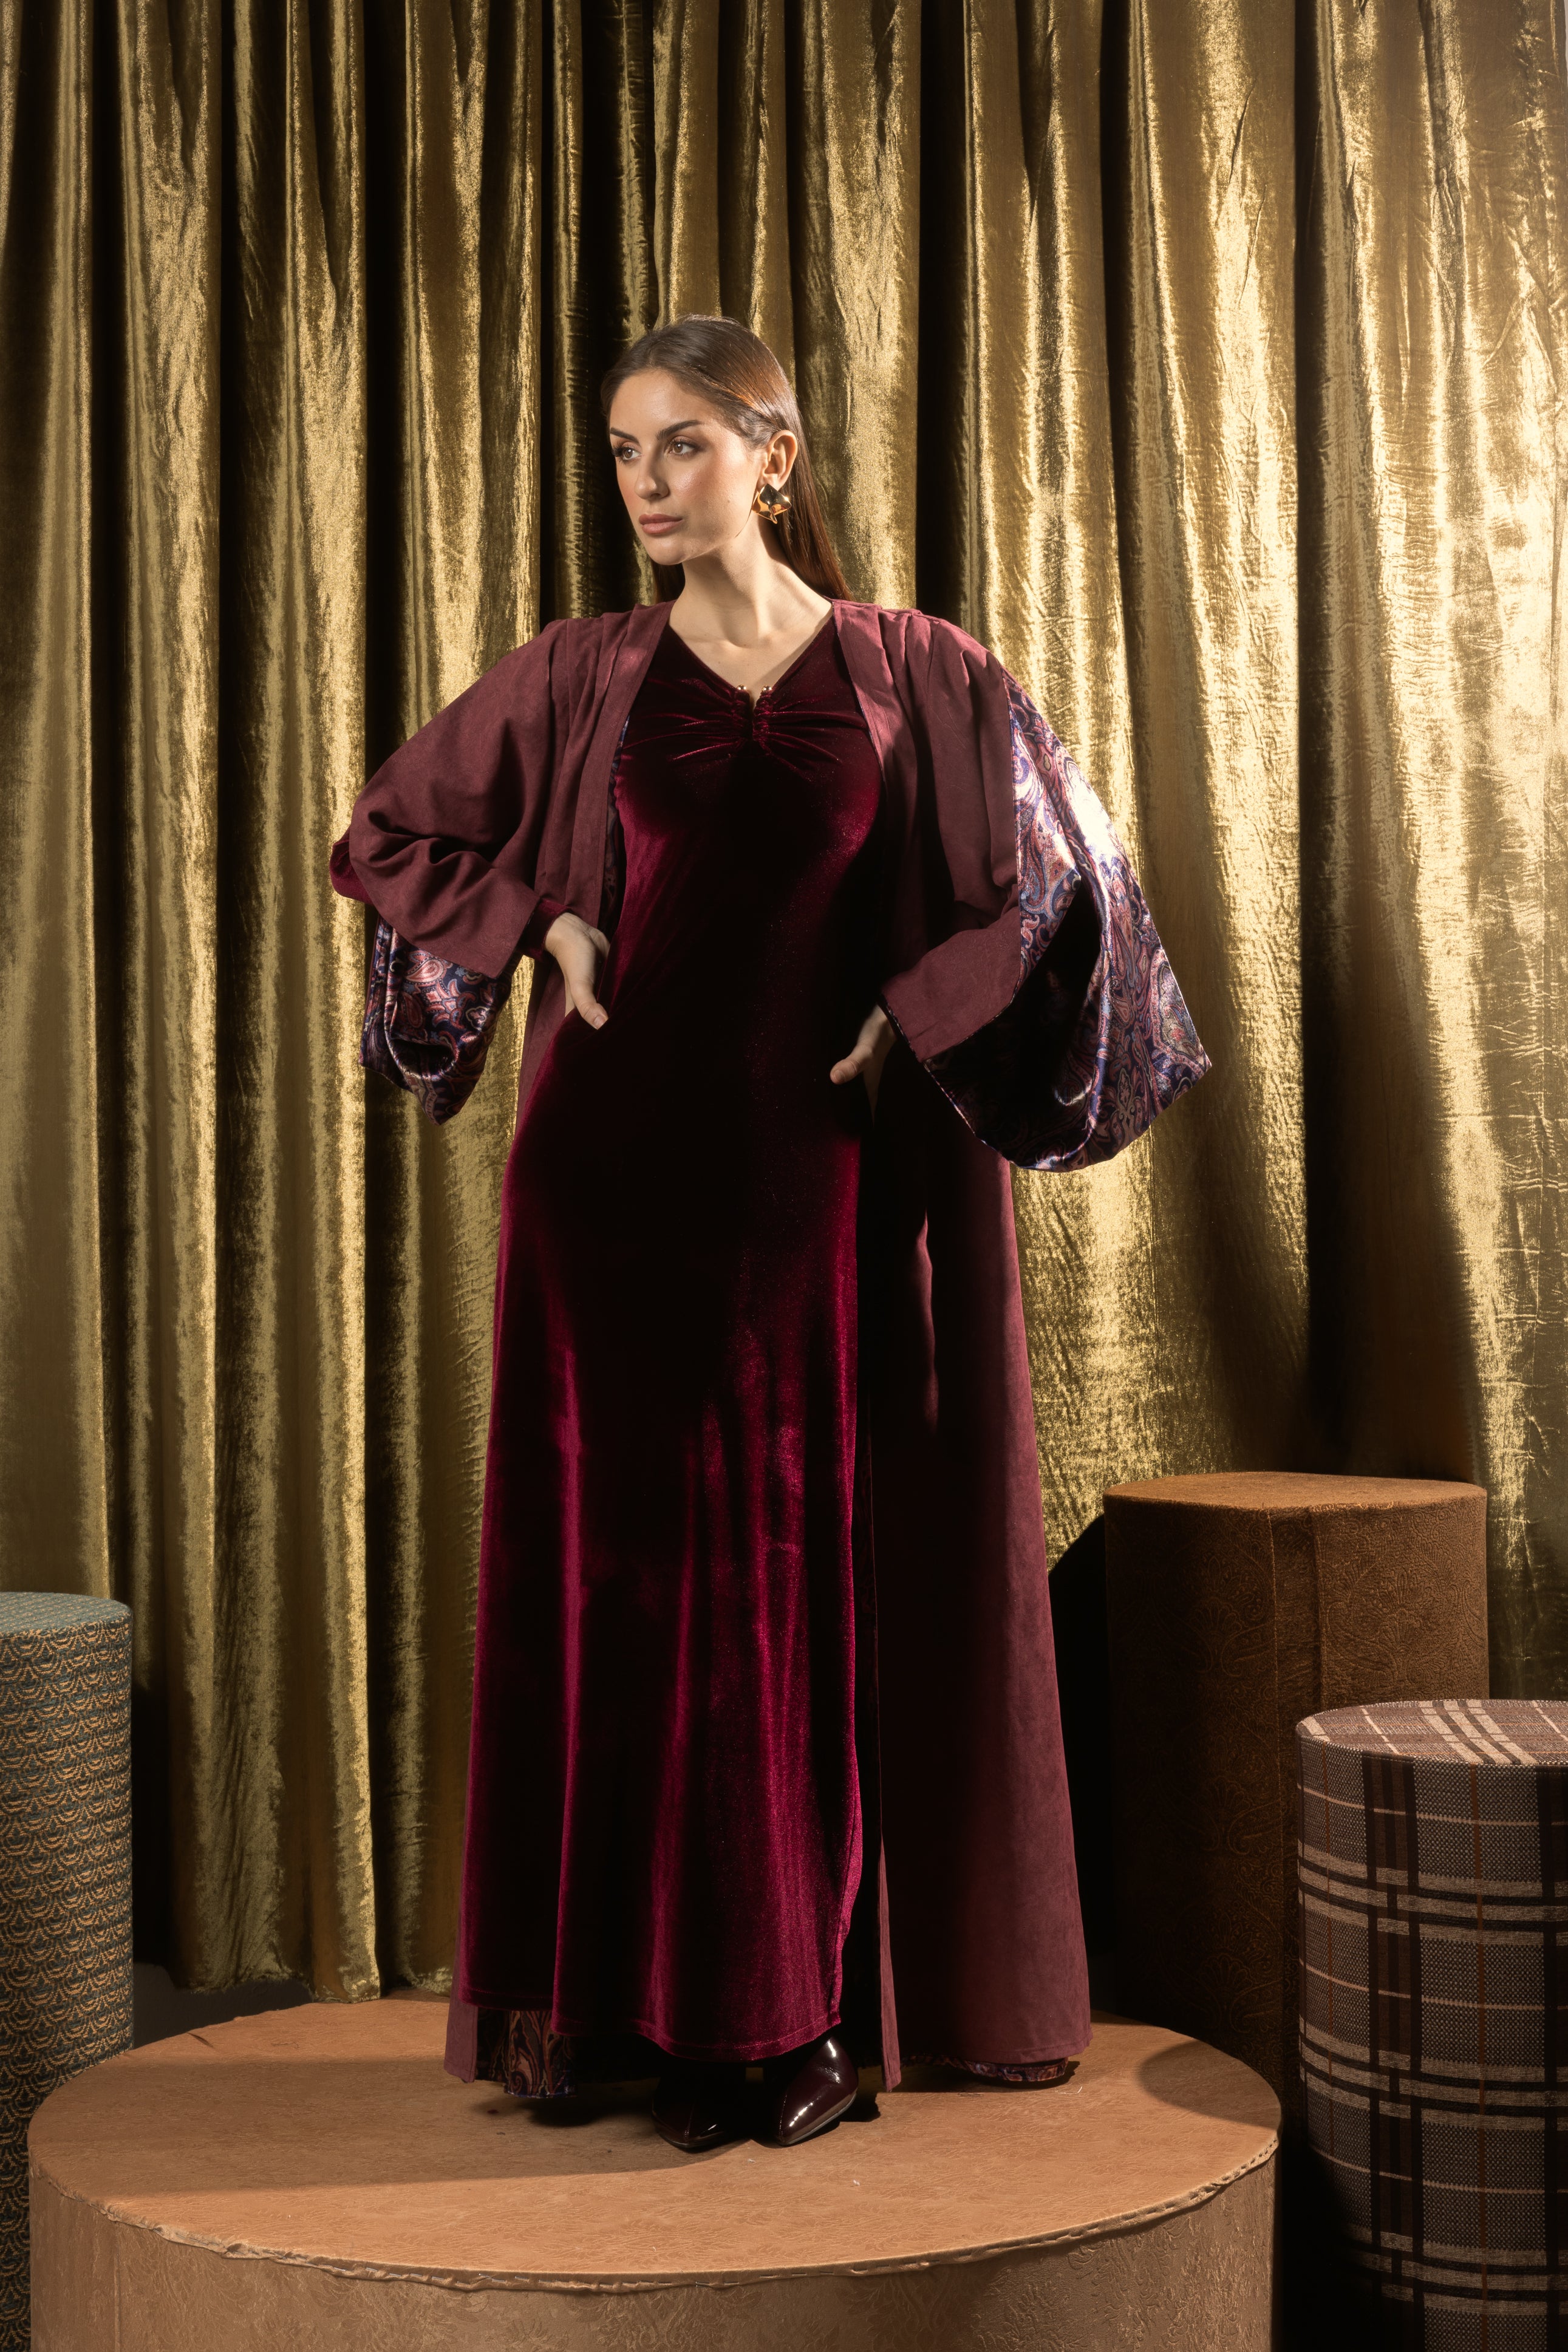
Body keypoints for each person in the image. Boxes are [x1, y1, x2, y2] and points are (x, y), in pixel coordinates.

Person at [331, 315, 1208, 2154]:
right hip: (605, 1193)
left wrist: (917, 1000)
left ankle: (789, 2017)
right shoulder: (580, 673)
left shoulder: (917, 671)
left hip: (810, 1188)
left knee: (790, 1591)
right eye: (623, 452)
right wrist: (539, 922)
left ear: (775, 456)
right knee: (621, 1590)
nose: (646, 482)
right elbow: (389, 833)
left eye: (682, 444)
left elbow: (1064, 885)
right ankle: (619, 2010)